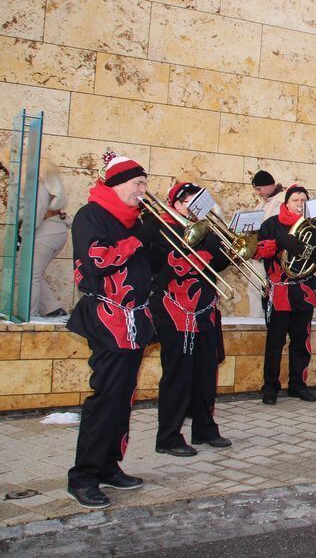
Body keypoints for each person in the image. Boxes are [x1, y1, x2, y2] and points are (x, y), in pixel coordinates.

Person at [66, 153, 159, 509]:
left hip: (134, 319)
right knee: (105, 398)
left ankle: (108, 465)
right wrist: (139, 238)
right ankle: (83, 476)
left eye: (144, 184)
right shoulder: (92, 215)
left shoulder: (133, 220)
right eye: (138, 184)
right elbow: (96, 260)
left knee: (124, 397)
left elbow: (147, 266)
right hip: (107, 318)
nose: (142, 191)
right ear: (117, 184)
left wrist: (156, 241)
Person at [149, 182, 232, 457]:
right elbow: (167, 264)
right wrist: (204, 253)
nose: (196, 206)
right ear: (177, 204)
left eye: (199, 200)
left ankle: (205, 428)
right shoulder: (161, 227)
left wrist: (222, 247)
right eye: (190, 201)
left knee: (207, 373)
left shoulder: (208, 228)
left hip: (204, 312)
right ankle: (169, 436)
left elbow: (221, 261)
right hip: (174, 312)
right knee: (177, 376)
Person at [255, 184, 316, 405]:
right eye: (296, 200)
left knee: (301, 342)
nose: (300, 204)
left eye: (304, 200)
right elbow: (259, 251)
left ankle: (298, 385)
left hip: (303, 290)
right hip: (280, 290)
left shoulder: (314, 227)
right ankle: (270, 387)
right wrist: (281, 243)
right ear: (286, 203)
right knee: (275, 342)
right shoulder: (271, 225)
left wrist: (307, 251)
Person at [25, 160, 71, 318]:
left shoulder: (37, 177)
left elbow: (38, 209)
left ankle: (29, 316)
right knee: (30, 272)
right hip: (51, 225)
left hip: (47, 226)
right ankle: (52, 308)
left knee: (29, 273)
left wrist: (24, 232)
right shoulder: (40, 175)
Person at [248, 170, 284, 318]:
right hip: (261, 252)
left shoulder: (281, 200)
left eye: (259, 188)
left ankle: (257, 323)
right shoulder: (267, 202)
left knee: (257, 290)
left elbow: (273, 227)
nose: (258, 192)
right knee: (255, 289)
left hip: (269, 254)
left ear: (270, 185)